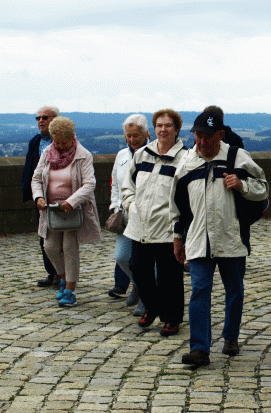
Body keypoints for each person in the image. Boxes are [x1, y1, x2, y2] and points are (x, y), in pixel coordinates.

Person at [171, 111, 268, 367]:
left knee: (234, 290)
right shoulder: (188, 162)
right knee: (199, 291)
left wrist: (242, 185)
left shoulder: (237, 157)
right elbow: (178, 205)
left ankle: (231, 336)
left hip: (231, 238)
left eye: (207, 137)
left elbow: (264, 188)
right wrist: (177, 237)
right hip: (198, 241)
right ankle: (199, 349)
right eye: (197, 136)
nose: (201, 142)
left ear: (220, 135)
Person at [122, 109, 186, 336]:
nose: (163, 129)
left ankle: (172, 318)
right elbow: (127, 184)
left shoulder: (184, 158)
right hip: (140, 225)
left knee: (170, 276)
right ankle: (152, 305)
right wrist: (130, 205)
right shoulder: (142, 154)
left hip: (168, 227)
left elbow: (187, 195)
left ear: (176, 129)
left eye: (168, 125)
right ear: (153, 129)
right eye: (159, 125)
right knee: (138, 268)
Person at [31, 116, 102, 307]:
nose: (61, 146)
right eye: (57, 142)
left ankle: (70, 289)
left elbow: (90, 183)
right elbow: (36, 179)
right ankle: (62, 276)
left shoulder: (83, 154)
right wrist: (38, 197)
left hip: (73, 210)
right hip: (51, 210)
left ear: (72, 137)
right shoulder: (47, 152)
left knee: (70, 248)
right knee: (50, 247)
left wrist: (72, 201)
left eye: (65, 142)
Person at [108, 114, 150, 316]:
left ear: (145, 134)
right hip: (125, 214)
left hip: (147, 216)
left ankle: (147, 297)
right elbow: (115, 184)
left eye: (136, 135)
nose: (132, 139)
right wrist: (115, 206)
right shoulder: (121, 156)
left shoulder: (153, 152)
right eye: (128, 135)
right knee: (122, 256)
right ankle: (138, 284)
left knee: (147, 260)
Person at [22, 105, 60, 287]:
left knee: (62, 237)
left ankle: (64, 274)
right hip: (41, 196)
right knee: (44, 235)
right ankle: (52, 273)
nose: (41, 121)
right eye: (37, 118)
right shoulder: (35, 141)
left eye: (45, 117)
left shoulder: (62, 139)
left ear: (55, 119)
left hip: (60, 195)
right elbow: (29, 168)